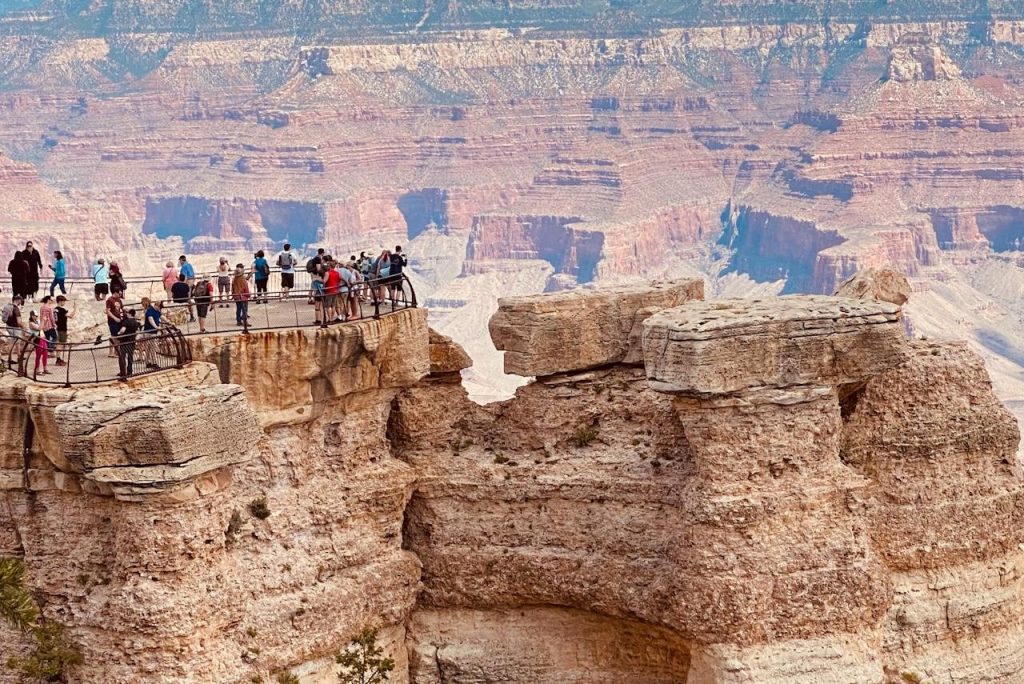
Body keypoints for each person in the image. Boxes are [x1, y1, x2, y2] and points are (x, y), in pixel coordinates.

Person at [114, 309, 141, 380]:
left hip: (124, 341)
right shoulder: (135, 322)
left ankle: (123, 373)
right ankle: (130, 371)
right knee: (130, 356)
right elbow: (137, 331)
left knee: (122, 357)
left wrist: (118, 333)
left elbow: (123, 330)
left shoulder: (126, 322)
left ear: (129, 314)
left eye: (127, 313)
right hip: (132, 341)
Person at [142, 298, 162, 369]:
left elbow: (161, 317)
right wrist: (156, 327)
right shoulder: (150, 310)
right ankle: (153, 363)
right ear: (156, 305)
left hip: (153, 332)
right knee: (150, 348)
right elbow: (150, 319)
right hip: (149, 331)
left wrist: (168, 322)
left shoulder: (158, 311)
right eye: (159, 307)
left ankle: (148, 362)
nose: (160, 309)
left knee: (151, 347)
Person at [53, 295, 74, 366]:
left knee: (59, 344)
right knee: (60, 345)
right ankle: (58, 360)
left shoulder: (55, 309)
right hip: (62, 328)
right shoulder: (62, 310)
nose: (64, 302)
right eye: (64, 301)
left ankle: (59, 359)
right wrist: (75, 309)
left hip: (57, 328)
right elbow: (71, 316)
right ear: (60, 301)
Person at [105, 288, 124, 357]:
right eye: (119, 294)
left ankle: (116, 351)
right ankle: (111, 352)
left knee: (118, 335)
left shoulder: (119, 300)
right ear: (115, 293)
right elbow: (108, 311)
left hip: (119, 319)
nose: (120, 295)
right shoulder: (109, 300)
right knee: (114, 336)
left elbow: (121, 309)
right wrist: (115, 318)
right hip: (112, 320)